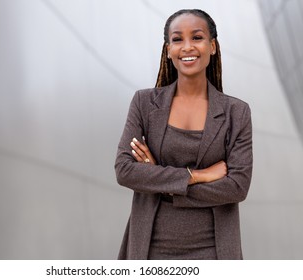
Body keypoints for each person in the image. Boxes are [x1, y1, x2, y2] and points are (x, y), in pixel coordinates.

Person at [114, 9, 253, 260]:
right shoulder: (144, 103)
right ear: (168, 50)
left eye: (197, 37)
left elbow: (236, 187)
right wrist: (198, 176)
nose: (187, 47)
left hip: (214, 251)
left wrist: (163, 184)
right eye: (178, 39)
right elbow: (125, 170)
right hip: (150, 249)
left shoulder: (237, 112)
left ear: (212, 46)